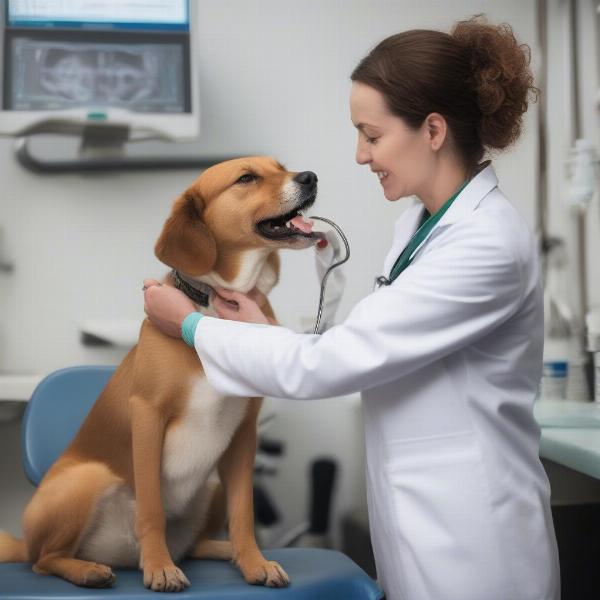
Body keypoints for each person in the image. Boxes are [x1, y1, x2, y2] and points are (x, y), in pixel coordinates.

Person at [143, 15, 560, 600]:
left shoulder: (485, 243)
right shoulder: (419, 224)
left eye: (371, 134)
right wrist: (264, 328)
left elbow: (332, 365)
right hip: (419, 517)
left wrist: (187, 324)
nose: (361, 155)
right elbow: (368, 345)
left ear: (433, 130)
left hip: (474, 541)